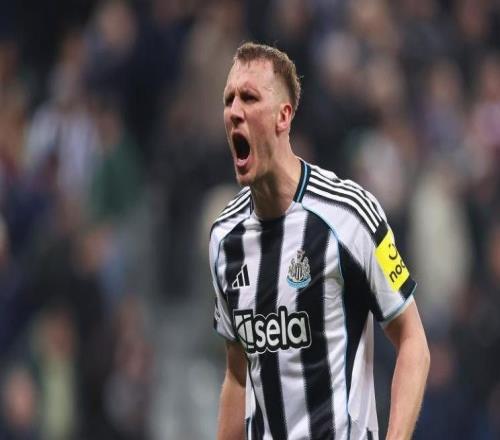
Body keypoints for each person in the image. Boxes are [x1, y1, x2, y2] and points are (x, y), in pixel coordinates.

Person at [209, 42, 430, 440]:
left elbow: (413, 341)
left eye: (249, 98)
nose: (234, 112)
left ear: (283, 116)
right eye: (228, 100)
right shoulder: (225, 239)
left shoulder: (350, 214)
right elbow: (237, 375)